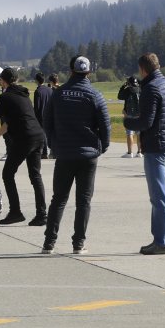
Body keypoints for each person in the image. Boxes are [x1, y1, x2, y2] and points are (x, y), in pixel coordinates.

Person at [40, 56, 110, 256]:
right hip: (88, 155)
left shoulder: (58, 94)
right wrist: (102, 146)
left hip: (64, 153)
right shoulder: (95, 94)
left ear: (71, 71)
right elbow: (105, 125)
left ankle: (49, 243)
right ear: (88, 72)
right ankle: (78, 244)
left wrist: (53, 144)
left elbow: (47, 121)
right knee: (83, 201)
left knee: (58, 199)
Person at [0, 68, 46, 227]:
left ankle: (15, 212)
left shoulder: (5, 97)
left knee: (7, 174)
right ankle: (42, 215)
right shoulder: (23, 95)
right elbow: (9, 123)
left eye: (0, 80)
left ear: (3, 81)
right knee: (35, 176)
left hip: (25, 139)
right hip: (38, 136)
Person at [124, 53, 165, 255]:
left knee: (159, 197)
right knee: (163, 195)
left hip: (156, 147)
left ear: (143, 69)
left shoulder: (151, 88)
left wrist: (127, 121)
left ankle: (162, 241)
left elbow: (146, 122)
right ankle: (163, 238)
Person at [33, 73, 57, 159]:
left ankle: (44, 152)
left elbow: (37, 107)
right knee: (50, 134)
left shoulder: (38, 91)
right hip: (50, 114)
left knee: (43, 135)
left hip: (41, 116)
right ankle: (53, 152)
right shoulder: (50, 90)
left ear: (36, 80)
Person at [118, 74, 141, 158]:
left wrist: (123, 86)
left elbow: (119, 96)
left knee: (130, 133)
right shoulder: (140, 89)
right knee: (139, 134)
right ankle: (139, 152)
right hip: (139, 114)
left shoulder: (128, 90)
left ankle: (130, 153)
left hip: (128, 114)